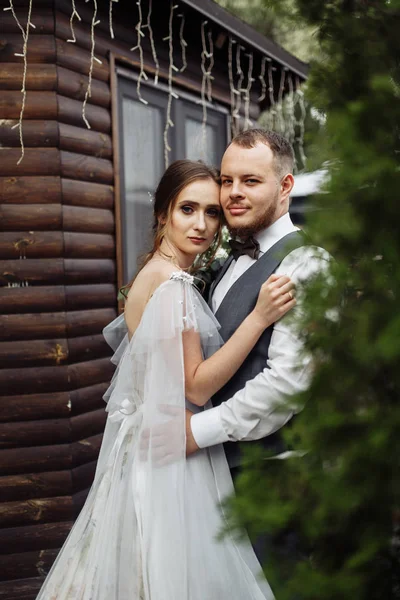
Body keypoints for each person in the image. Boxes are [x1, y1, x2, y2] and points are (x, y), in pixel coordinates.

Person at [36, 159, 296, 600]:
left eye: (212, 212)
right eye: (187, 210)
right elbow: (196, 385)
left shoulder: (151, 274)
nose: (202, 225)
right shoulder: (173, 284)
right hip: (171, 453)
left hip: (145, 443)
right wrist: (259, 317)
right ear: (163, 214)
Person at [184, 129, 330, 560]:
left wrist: (196, 432)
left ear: (285, 186)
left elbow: (286, 383)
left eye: (250, 181)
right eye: (227, 181)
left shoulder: (308, 263)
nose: (233, 193)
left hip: (273, 482)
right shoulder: (225, 262)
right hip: (212, 475)